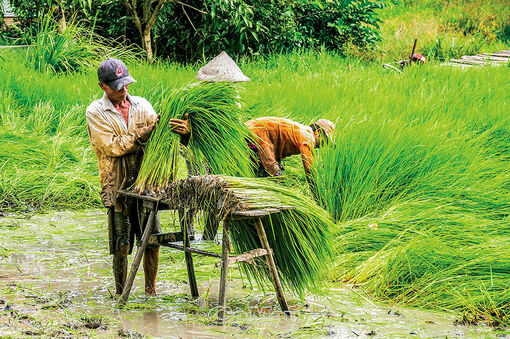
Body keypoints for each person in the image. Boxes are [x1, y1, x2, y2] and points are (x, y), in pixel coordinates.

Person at [86, 58, 163, 296]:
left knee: (151, 242)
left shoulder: (142, 105)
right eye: (117, 86)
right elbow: (114, 147)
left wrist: (179, 131)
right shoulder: (96, 112)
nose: (123, 89)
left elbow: (160, 137)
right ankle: (121, 293)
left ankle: (151, 291)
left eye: (126, 84)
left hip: (145, 184)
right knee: (122, 245)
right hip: (117, 186)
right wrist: (144, 134)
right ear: (103, 86)